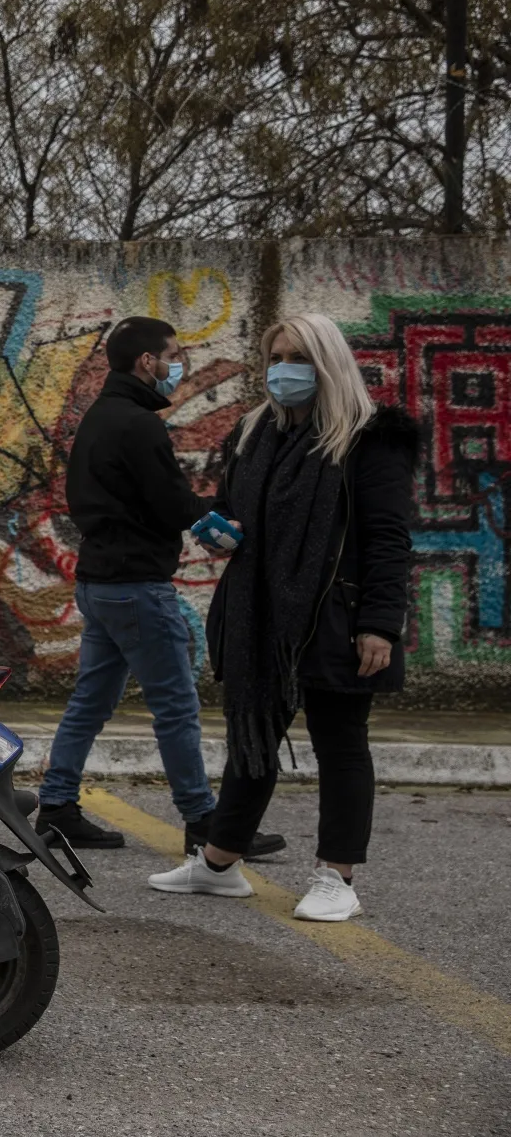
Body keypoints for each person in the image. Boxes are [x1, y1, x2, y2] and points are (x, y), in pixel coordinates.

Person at [149, 314, 416, 921]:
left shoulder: (370, 438)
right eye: (275, 357)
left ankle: (336, 876)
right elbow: (234, 508)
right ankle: (218, 864)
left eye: (297, 356)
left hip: (336, 616)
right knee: (252, 740)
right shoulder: (253, 432)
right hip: (259, 612)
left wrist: (380, 622)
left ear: (327, 362)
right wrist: (224, 530)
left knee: (341, 742)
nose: (283, 369)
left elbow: (388, 537)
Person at [39, 318, 283, 858]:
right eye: (173, 355)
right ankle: (204, 821)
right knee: (175, 706)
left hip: (99, 584)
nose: (179, 365)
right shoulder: (138, 424)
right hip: (137, 588)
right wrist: (221, 524)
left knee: (90, 703)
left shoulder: (99, 418)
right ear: (146, 361)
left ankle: (56, 808)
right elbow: (171, 502)